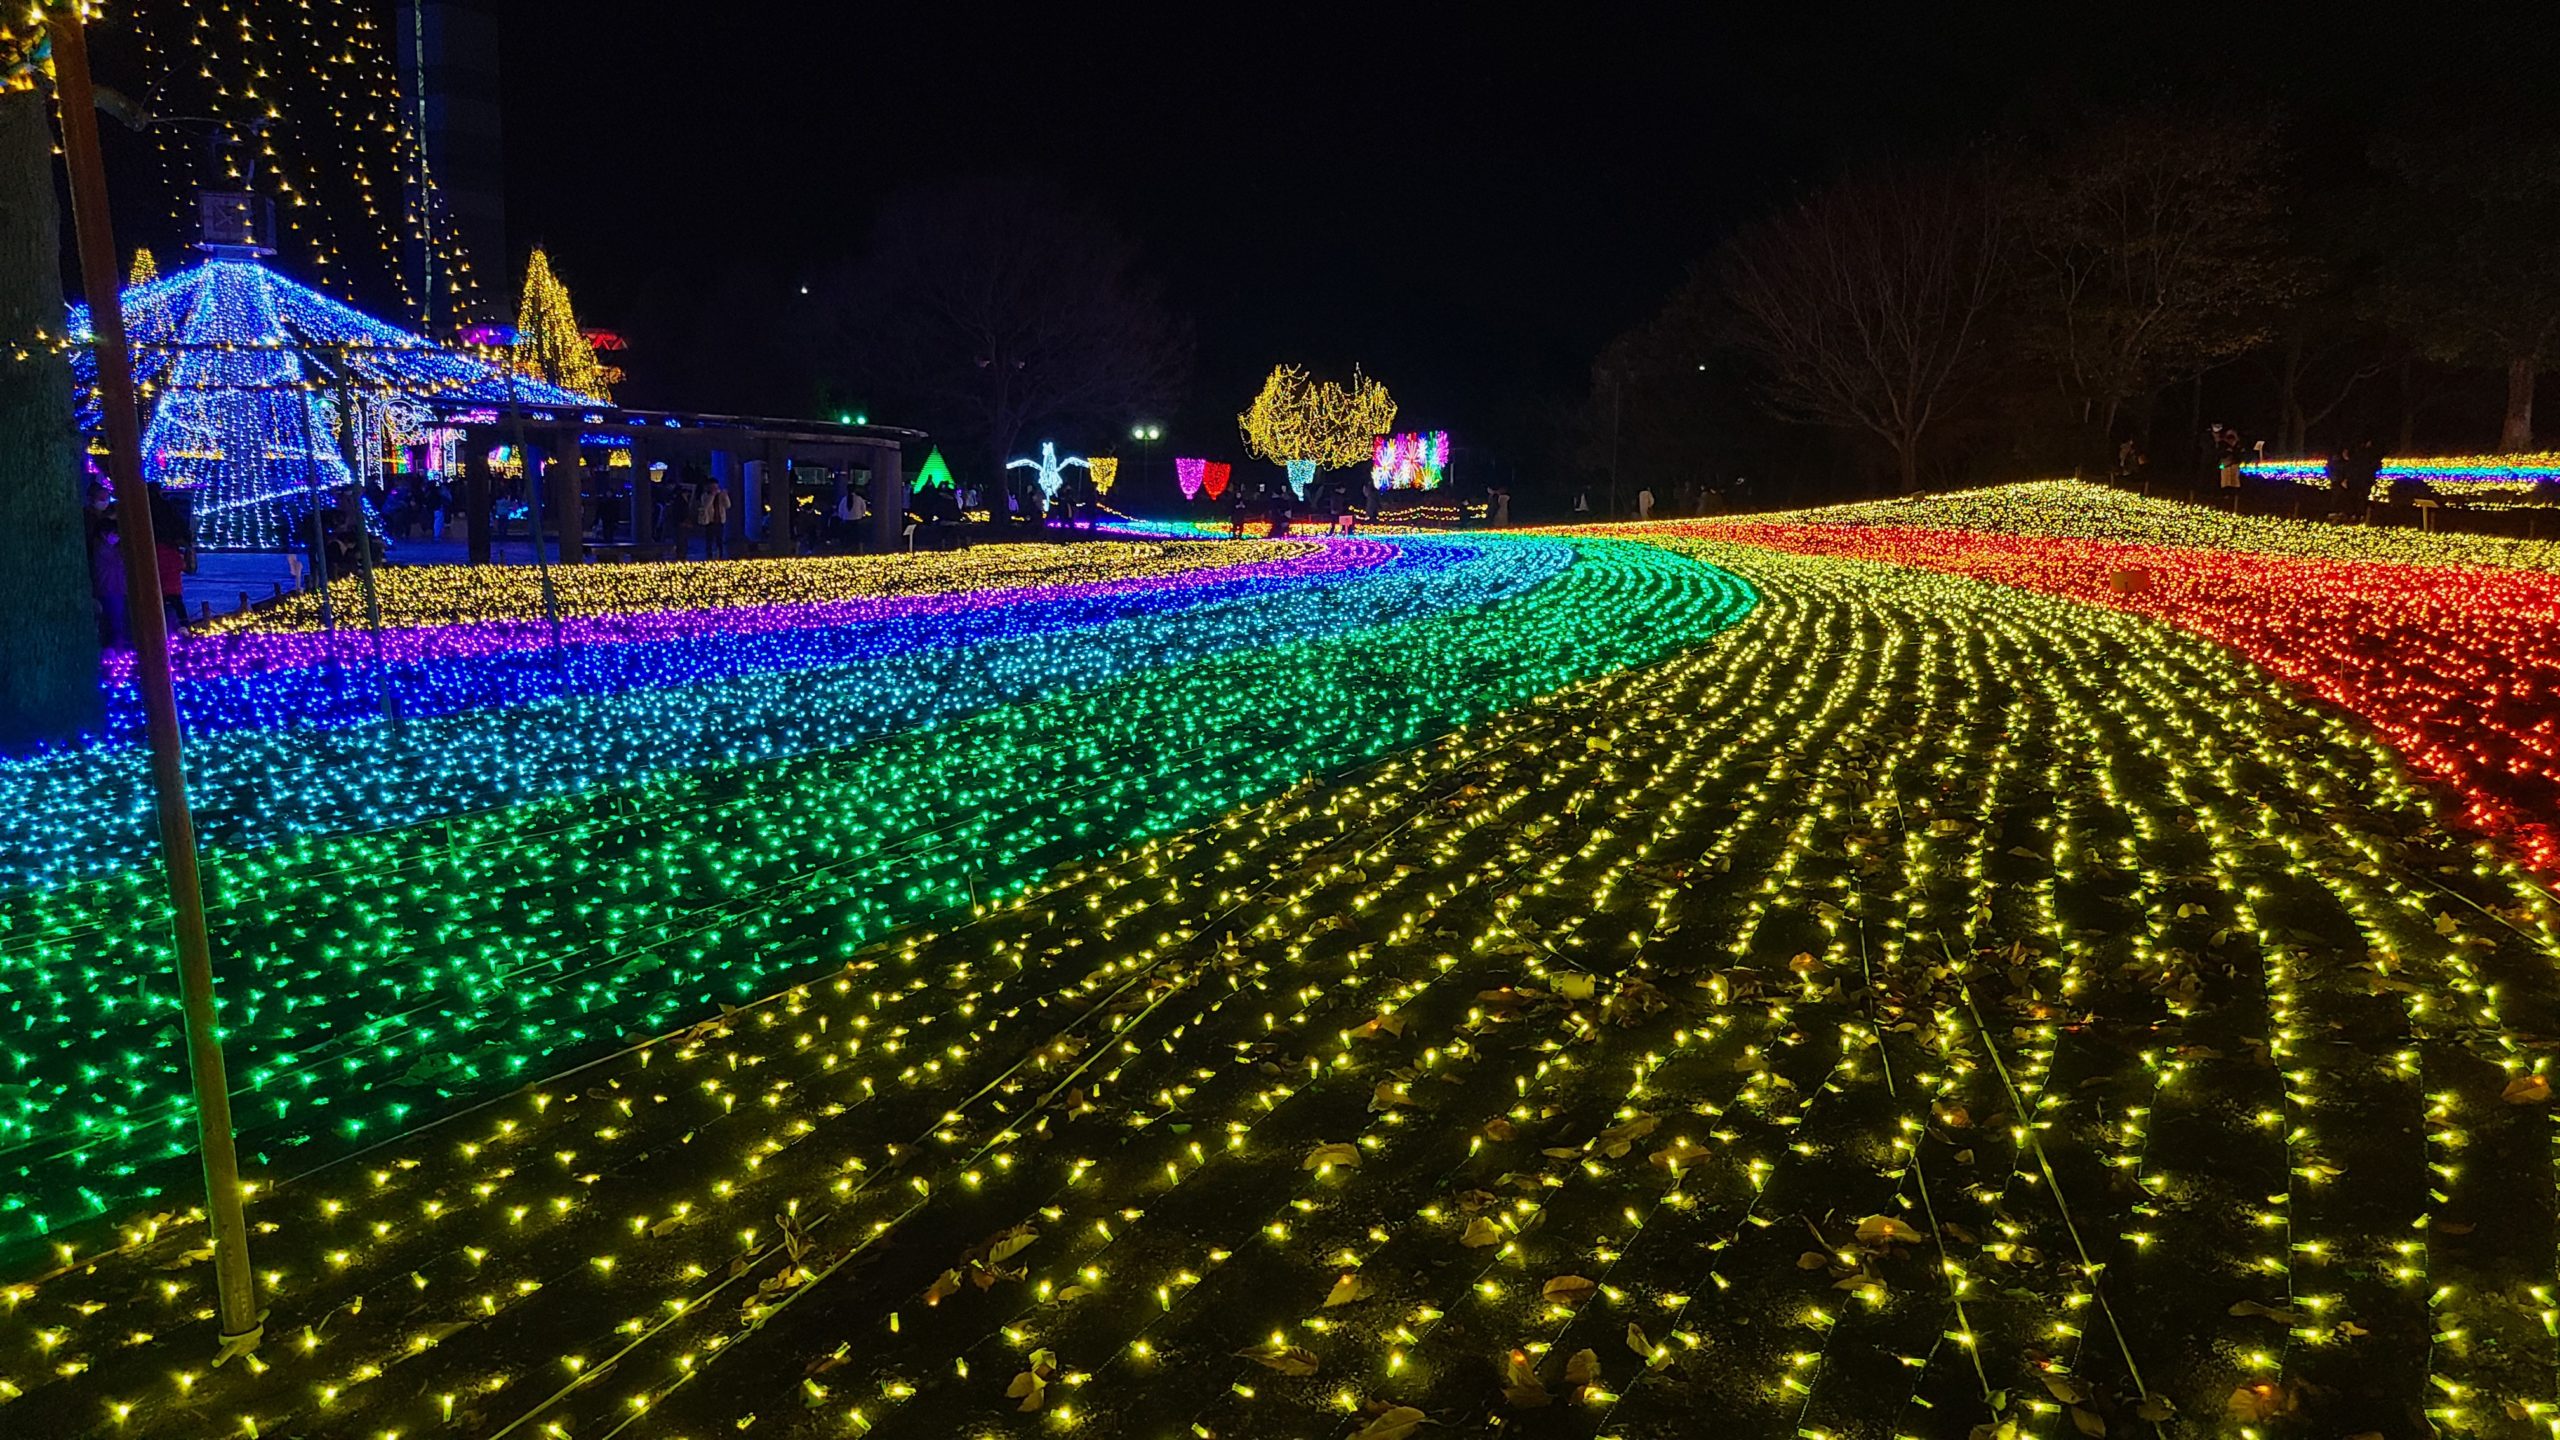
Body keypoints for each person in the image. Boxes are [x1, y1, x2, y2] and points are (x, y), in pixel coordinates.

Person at [696, 474, 731, 558]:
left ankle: (720, 555)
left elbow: (728, 506)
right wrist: (712, 495)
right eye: (712, 486)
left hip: (720, 520)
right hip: (710, 521)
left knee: (720, 540)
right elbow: (706, 506)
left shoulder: (721, 495)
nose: (715, 488)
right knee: (709, 540)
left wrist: (725, 496)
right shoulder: (705, 495)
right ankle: (709, 555)